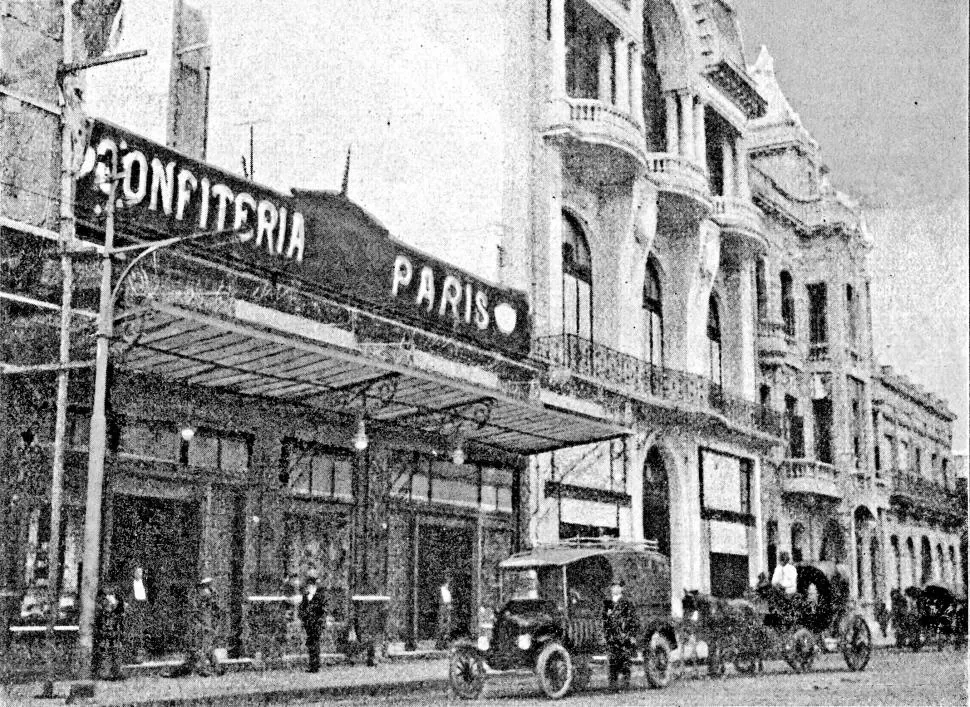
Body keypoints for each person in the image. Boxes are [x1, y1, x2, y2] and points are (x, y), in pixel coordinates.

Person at [170, 577, 220, 677]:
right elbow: (195, 611)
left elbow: (214, 610)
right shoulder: (199, 594)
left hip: (205, 624)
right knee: (202, 648)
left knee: (204, 648)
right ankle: (208, 668)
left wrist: (211, 625)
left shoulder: (209, 594)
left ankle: (207, 668)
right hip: (202, 624)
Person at [603, 579, 639, 691]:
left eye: (618, 587)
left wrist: (631, 635)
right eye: (613, 587)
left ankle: (625, 685)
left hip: (624, 636)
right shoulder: (607, 603)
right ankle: (613, 686)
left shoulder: (627, 603)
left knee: (624, 661)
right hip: (612, 637)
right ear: (611, 589)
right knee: (612, 662)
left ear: (622, 589)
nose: (615, 589)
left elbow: (633, 620)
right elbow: (604, 619)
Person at [95, 584, 125, 681]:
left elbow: (120, 612)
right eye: (108, 594)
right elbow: (102, 614)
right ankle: (105, 673)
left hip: (115, 632)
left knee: (116, 651)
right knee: (106, 652)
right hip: (106, 632)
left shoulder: (117, 604)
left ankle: (116, 672)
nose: (109, 596)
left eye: (111, 594)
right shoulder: (103, 604)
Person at [299, 573, 327, 672]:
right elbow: (301, 608)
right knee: (311, 644)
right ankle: (312, 665)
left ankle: (315, 666)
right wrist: (303, 617)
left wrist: (320, 621)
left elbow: (322, 610)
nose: (310, 588)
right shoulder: (305, 596)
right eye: (308, 586)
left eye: (312, 586)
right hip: (308, 624)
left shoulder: (319, 597)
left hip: (316, 624)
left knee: (315, 644)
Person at [127, 566, 150, 663]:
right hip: (134, 606)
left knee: (142, 630)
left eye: (141, 572)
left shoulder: (144, 583)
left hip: (142, 606)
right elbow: (129, 596)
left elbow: (146, 594)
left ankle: (141, 654)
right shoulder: (130, 583)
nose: (139, 574)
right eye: (137, 572)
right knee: (134, 630)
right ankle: (133, 654)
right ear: (134, 573)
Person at [436, 574, 453, 649]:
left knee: (447, 627)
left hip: (447, 609)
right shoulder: (441, 590)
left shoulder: (448, 591)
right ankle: (439, 644)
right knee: (442, 627)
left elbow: (449, 601)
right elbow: (440, 601)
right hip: (442, 609)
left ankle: (445, 643)